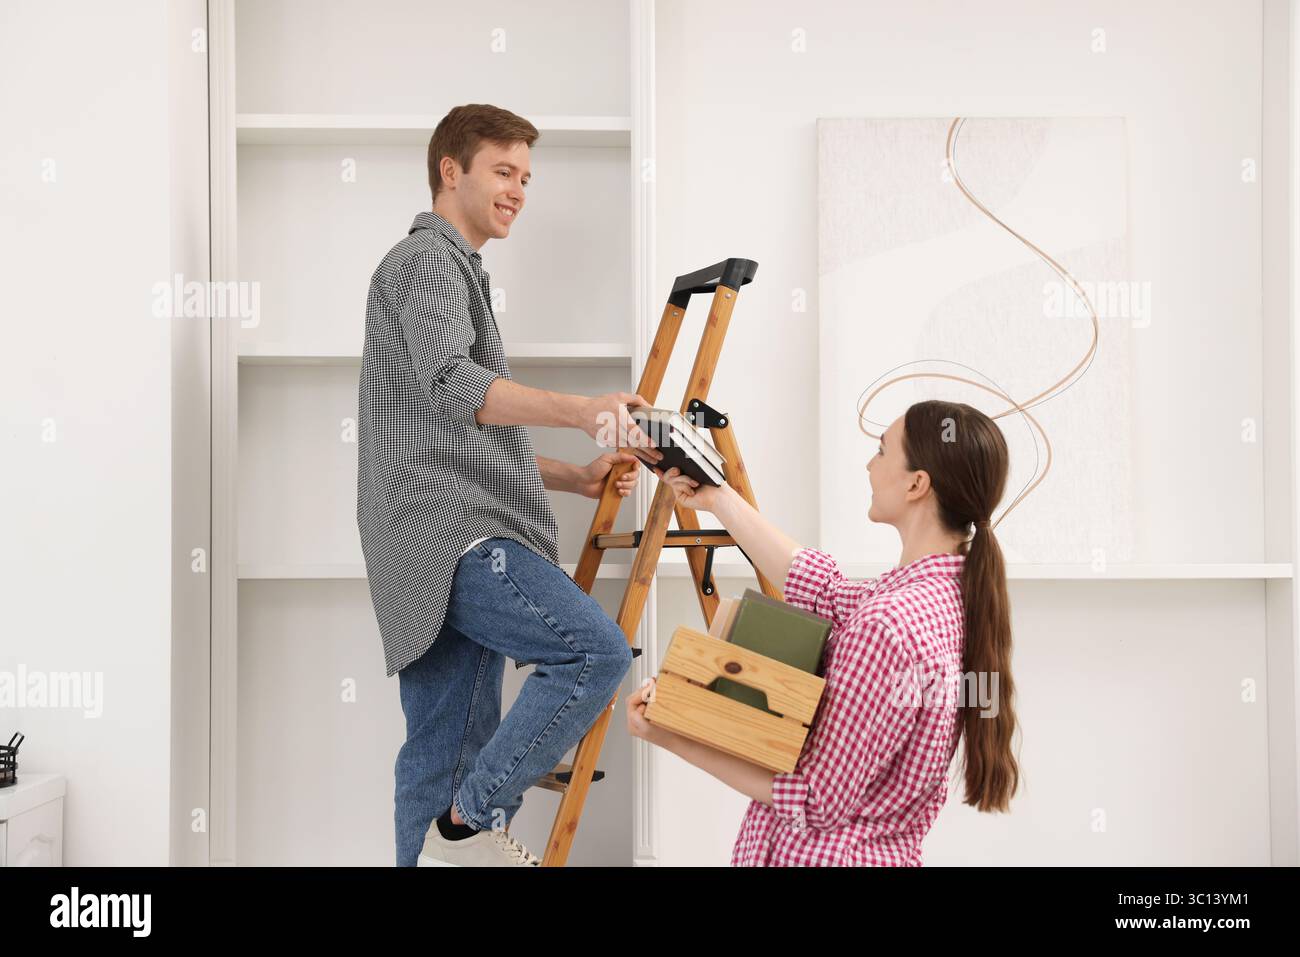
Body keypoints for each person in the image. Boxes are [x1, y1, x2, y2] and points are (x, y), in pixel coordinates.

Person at [357, 103, 663, 867]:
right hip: (451, 536)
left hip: (424, 539)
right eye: (503, 171)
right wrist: (583, 410)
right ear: (449, 171)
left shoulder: (450, 271)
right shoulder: (427, 261)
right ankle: (469, 822)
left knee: (435, 757)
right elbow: (454, 382)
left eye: (526, 177)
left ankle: (448, 825)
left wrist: (570, 476)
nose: (518, 190)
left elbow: (456, 432)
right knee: (594, 651)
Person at [627, 399, 1021, 865]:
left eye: (881, 451)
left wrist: (668, 734)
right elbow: (823, 588)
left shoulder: (887, 626)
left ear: (917, 484)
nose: (869, 465)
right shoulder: (945, 599)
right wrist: (718, 498)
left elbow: (815, 798)